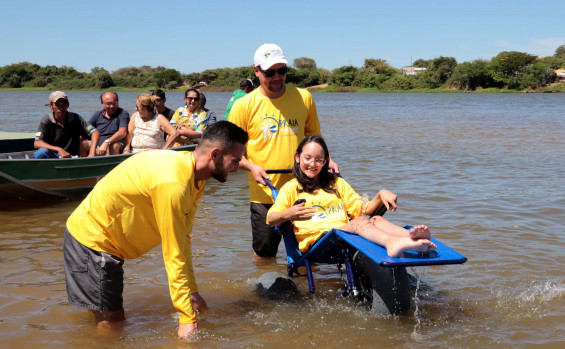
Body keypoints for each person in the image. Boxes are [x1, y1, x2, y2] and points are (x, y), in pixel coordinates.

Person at [63, 121, 249, 340]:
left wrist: (191, 291)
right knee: (111, 324)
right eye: (235, 161)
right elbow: (173, 252)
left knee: (111, 317)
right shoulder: (173, 183)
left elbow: (183, 238)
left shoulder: (194, 178)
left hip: (107, 242)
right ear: (215, 154)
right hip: (93, 241)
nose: (237, 168)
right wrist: (186, 317)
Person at [228, 43, 339, 258]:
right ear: (256, 71)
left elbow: (314, 137)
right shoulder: (243, 105)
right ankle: (264, 285)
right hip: (265, 193)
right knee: (264, 253)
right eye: (269, 72)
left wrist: (330, 160)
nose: (277, 77)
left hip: (303, 188)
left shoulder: (304, 97)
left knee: (309, 249)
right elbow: (230, 154)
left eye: (282, 71)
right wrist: (251, 166)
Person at [266, 135, 437, 258]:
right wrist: (286, 214)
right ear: (297, 158)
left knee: (376, 219)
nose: (312, 164)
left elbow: (363, 209)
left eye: (319, 159)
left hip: (345, 237)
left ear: (325, 161)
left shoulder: (336, 184)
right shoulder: (291, 188)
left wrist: (380, 194)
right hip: (319, 243)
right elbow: (271, 218)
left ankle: (413, 238)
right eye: (307, 158)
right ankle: (392, 242)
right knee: (359, 222)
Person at [34, 91, 99, 158]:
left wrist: (92, 152)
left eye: (63, 104)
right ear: (51, 106)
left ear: (67, 105)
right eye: (57, 105)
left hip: (71, 156)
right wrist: (59, 149)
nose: (61, 108)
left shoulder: (76, 118)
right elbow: (37, 143)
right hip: (52, 155)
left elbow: (94, 132)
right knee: (41, 153)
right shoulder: (46, 120)